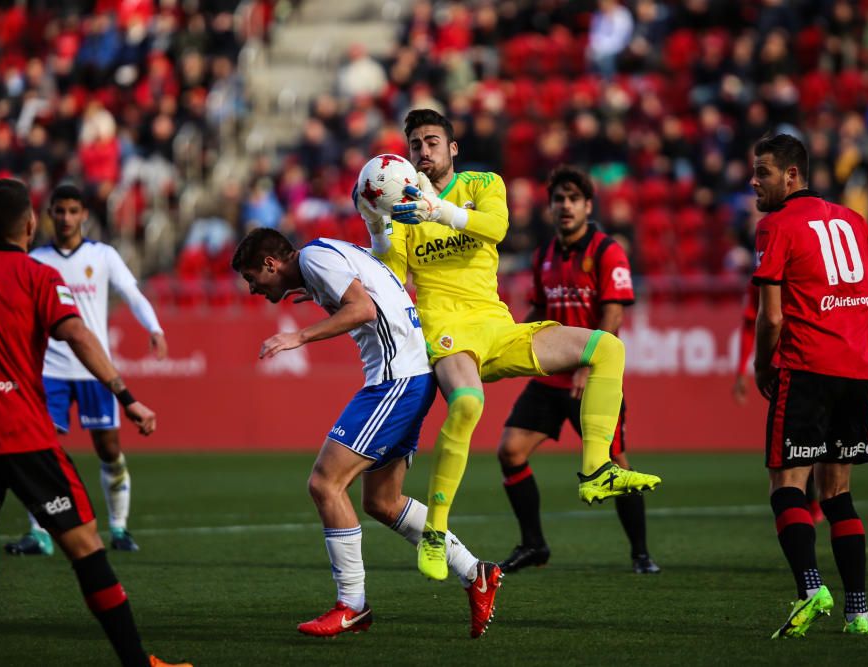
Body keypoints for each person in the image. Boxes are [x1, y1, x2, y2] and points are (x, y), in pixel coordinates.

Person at [356, 108, 661, 581]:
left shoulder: (483, 185)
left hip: (497, 326)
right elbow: (394, 280)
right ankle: (435, 532)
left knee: (607, 349)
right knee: (468, 405)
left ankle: (597, 468)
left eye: (433, 141)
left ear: (452, 148)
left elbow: (495, 228)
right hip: (447, 331)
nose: (424, 151)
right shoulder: (403, 216)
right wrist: (378, 229)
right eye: (415, 144)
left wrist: (437, 208)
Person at [230, 228, 502, 638]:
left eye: (253, 278)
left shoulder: (314, 260)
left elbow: (363, 310)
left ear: (271, 264)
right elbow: (369, 292)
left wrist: (298, 336)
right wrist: (319, 293)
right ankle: (474, 571)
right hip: (411, 376)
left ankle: (352, 605)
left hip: (395, 381)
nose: (252, 289)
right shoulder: (322, 256)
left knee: (325, 483)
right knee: (382, 501)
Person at [0, 178, 188, 667]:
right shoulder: (37, 275)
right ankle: (137, 662)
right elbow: (78, 334)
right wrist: (127, 395)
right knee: (86, 546)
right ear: (32, 223)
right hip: (22, 432)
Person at [750, 135, 868, 638]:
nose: (754, 181)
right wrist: (851, 333)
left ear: (791, 176)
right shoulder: (854, 220)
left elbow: (771, 317)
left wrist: (760, 365)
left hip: (806, 368)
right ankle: (860, 613)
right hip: (855, 370)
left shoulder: (775, 225)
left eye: (763, 172)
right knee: (837, 495)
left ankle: (811, 588)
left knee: (787, 486)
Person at [495, 165, 658, 575]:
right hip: (550, 378)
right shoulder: (544, 256)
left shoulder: (607, 251)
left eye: (572, 199)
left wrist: (590, 367)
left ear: (588, 205)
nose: (564, 206)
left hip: (590, 379)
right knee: (510, 450)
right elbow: (538, 311)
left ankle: (641, 555)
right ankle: (534, 545)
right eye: (558, 200)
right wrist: (506, 338)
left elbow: (614, 314)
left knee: (615, 463)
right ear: (550, 208)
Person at [5, 184, 167, 556]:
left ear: (84, 215)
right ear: (48, 215)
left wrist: (154, 327)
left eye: (72, 211)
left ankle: (119, 528)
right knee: (40, 449)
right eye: (59, 211)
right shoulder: (36, 259)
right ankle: (40, 533)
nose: (65, 218)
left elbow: (131, 293)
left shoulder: (103, 255)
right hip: (49, 371)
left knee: (109, 449)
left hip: (95, 370)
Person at [732, 281, 824, 523]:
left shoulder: (808, 266)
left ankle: (809, 504)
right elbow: (751, 323)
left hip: (812, 364)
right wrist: (742, 370)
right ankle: (810, 502)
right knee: (795, 442)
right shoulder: (759, 279)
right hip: (784, 371)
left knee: (807, 443)